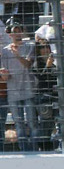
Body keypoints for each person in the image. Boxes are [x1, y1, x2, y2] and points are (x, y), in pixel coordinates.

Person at [0, 19, 38, 151]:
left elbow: (28, 65)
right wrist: (3, 73)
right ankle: (24, 151)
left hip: (28, 90)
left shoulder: (30, 46)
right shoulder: (4, 51)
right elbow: (5, 75)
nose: (17, 34)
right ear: (9, 35)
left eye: (19, 31)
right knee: (19, 124)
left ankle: (34, 149)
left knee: (32, 123)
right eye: (14, 32)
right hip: (13, 92)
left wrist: (17, 55)